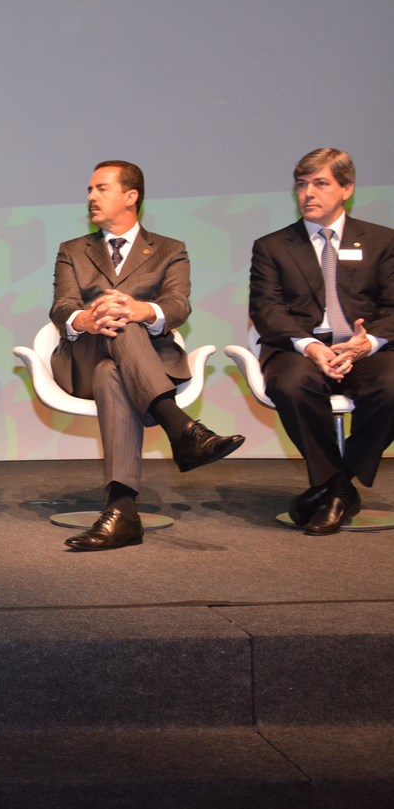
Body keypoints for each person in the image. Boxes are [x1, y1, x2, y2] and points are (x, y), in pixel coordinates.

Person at [50, 160, 244, 551]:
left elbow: (177, 305)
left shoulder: (171, 250)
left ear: (131, 196)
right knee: (115, 328)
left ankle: (122, 512)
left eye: (101, 188)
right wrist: (86, 319)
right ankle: (182, 428)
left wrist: (141, 311)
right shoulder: (73, 250)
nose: (91, 197)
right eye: (89, 190)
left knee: (112, 368)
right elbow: (62, 306)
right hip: (83, 357)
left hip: (146, 364)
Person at [248, 148, 394, 535]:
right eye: (301, 185)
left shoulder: (382, 241)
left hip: (364, 349)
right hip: (300, 347)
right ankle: (340, 489)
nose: (308, 193)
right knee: (291, 385)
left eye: (320, 183)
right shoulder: (273, 246)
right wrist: (310, 346)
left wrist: (368, 343)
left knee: (392, 385)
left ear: (347, 188)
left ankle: (332, 485)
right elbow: (266, 310)